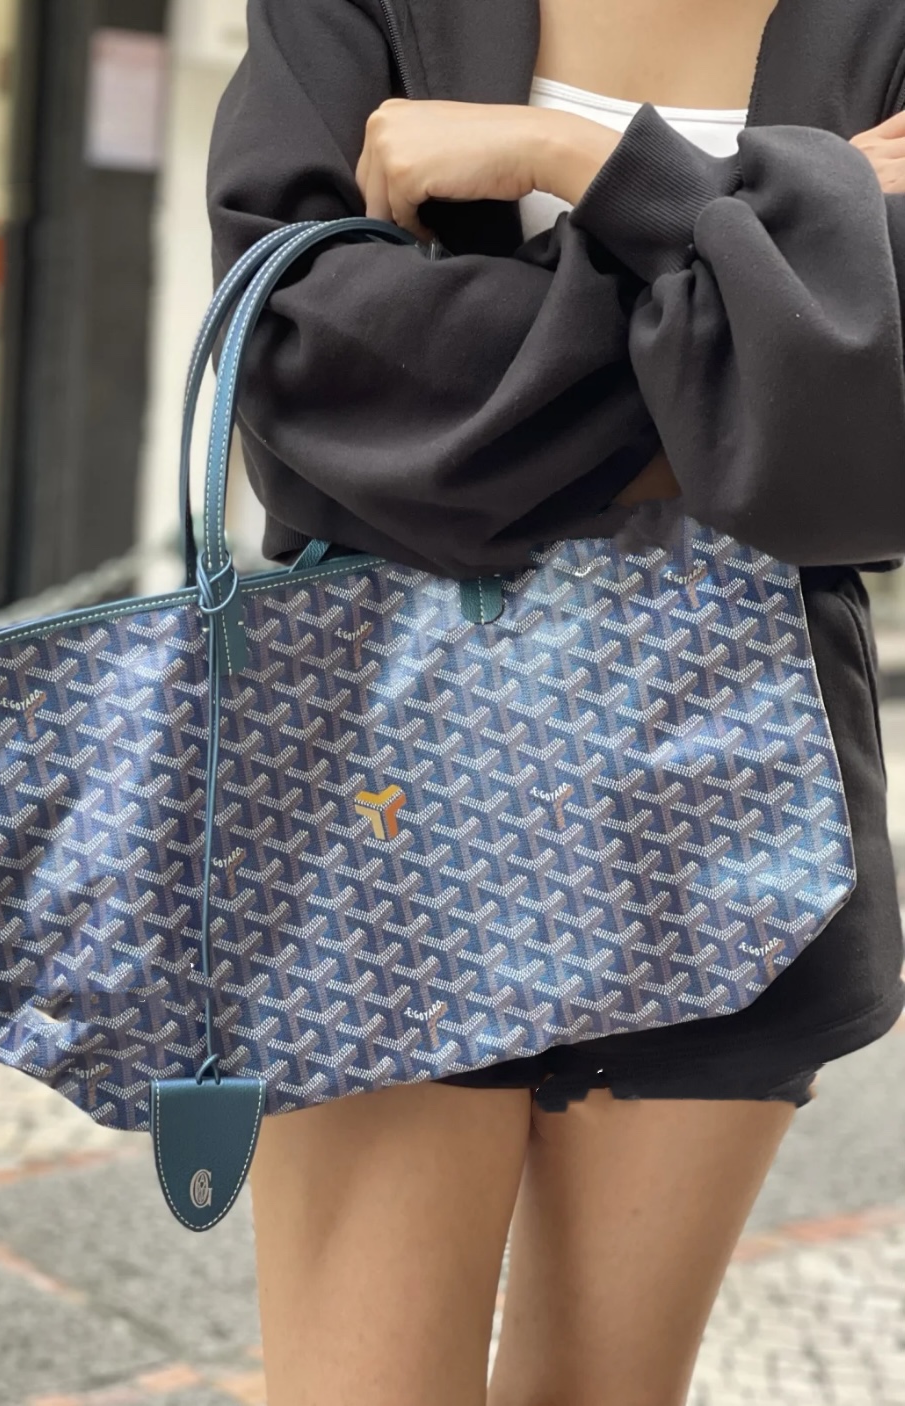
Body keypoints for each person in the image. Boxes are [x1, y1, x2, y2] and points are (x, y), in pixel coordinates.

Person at [205, 2, 905, 1403]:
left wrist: (576, 160)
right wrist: (765, 283)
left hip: (736, 822)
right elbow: (308, 374)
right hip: (386, 814)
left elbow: (872, 452)